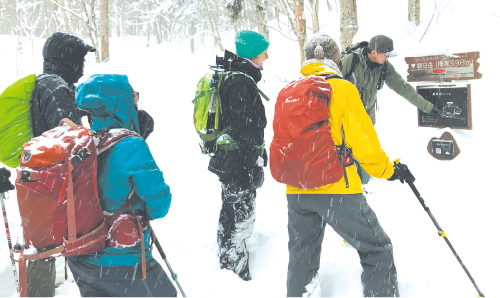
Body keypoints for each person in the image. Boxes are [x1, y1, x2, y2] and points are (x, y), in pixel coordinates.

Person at [285, 34, 412, 297]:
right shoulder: (342, 89)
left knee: (302, 256)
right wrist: (389, 171)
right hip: (335, 187)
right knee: (377, 248)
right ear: (335, 59)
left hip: (297, 189)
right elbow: (364, 144)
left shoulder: (290, 90)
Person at [67, 74, 176, 297]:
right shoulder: (131, 145)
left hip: (80, 256)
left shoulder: (79, 142)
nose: (136, 100)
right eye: (132, 96)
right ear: (119, 102)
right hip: (121, 259)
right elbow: (160, 202)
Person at [26, 31, 95, 297]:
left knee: (41, 244)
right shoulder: (56, 88)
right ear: (65, 60)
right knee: (45, 246)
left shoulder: (48, 83)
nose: (83, 66)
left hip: (42, 180)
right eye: (79, 59)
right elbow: (70, 141)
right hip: (52, 183)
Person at [207, 30, 269, 281]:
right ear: (253, 53)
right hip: (236, 162)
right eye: (264, 51)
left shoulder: (236, 77)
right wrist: (251, 162)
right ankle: (235, 269)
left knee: (231, 210)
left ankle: (227, 254)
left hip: (229, 159)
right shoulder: (241, 82)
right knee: (242, 214)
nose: (267, 56)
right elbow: (243, 129)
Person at [340, 34, 441, 184]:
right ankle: (347, 184)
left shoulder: (384, 66)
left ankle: (362, 183)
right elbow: (330, 86)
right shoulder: (350, 62)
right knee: (345, 151)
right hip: (347, 119)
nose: (387, 58)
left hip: (367, 118)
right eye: (385, 55)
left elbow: (401, 86)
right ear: (374, 52)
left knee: (366, 152)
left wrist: (427, 106)